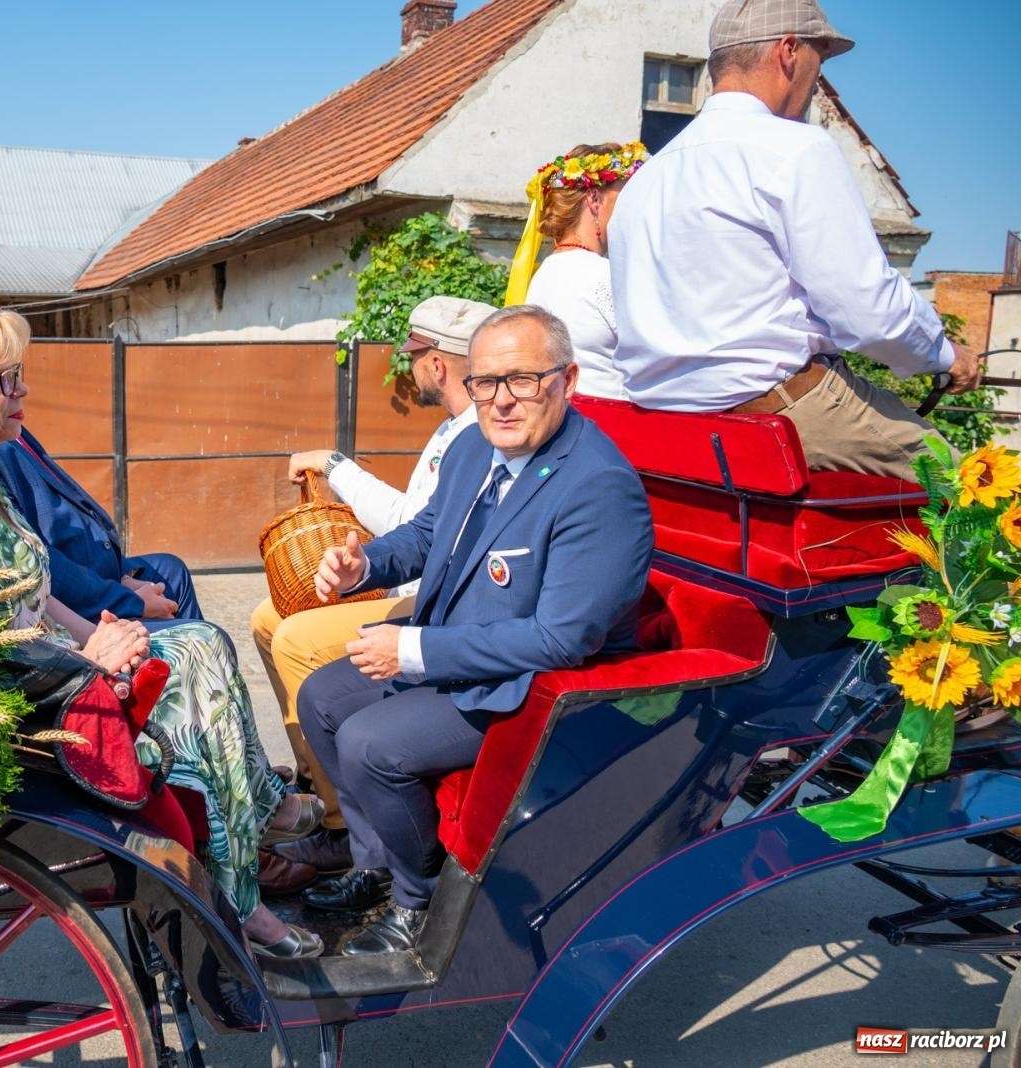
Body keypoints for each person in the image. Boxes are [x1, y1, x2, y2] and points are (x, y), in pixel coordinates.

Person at [0, 300, 324, 958]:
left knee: (197, 645)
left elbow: (32, 588)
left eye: (16, 373)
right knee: (197, 651)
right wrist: (88, 660)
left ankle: (246, 836)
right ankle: (241, 878)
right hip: (11, 704)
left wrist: (95, 629)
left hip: (44, 669)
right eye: (2, 380)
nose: (21, 390)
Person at [298, 305, 652, 955]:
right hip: (464, 645)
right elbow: (429, 534)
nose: (502, 401)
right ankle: (374, 865)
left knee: (371, 744)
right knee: (320, 698)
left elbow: (561, 640)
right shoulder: (472, 446)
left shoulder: (596, 486)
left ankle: (418, 898)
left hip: (532, 686)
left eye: (523, 379)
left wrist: (413, 649)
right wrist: (363, 568)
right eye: (487, 382)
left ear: (567, 380)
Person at [607, 0, 982, 482]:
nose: (815, 81)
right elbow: (868, 311)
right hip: (781, 411)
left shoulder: (648, 177)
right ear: (789, 52)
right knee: (980, 494)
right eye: (817, 61)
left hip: (669, 426)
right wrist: (946, 355)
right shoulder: (795, 148)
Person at [249, 296, 496, 879]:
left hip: (430, 600)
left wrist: (336, 466)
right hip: (408, 583)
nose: (409, 370)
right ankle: (315, 780)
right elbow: (422, 526)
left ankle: (338, 827)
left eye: (414, 357)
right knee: (267, 618)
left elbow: (414, 527)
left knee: (297, 640)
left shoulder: (475, 432)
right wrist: (360, 563)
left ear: (438, 364)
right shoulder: (458, 431)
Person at [0, 270, 202, 623]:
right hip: (51, 642)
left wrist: (111, 604)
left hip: (73, 611)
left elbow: (27, 567)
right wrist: (122, 607)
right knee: (201, 642)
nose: (20, 387)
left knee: (173, 580)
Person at [506, 142, 648, 400]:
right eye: (626, 198)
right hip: (613, 427)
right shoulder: (606, 277)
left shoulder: (542, 276)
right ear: (594, 199)